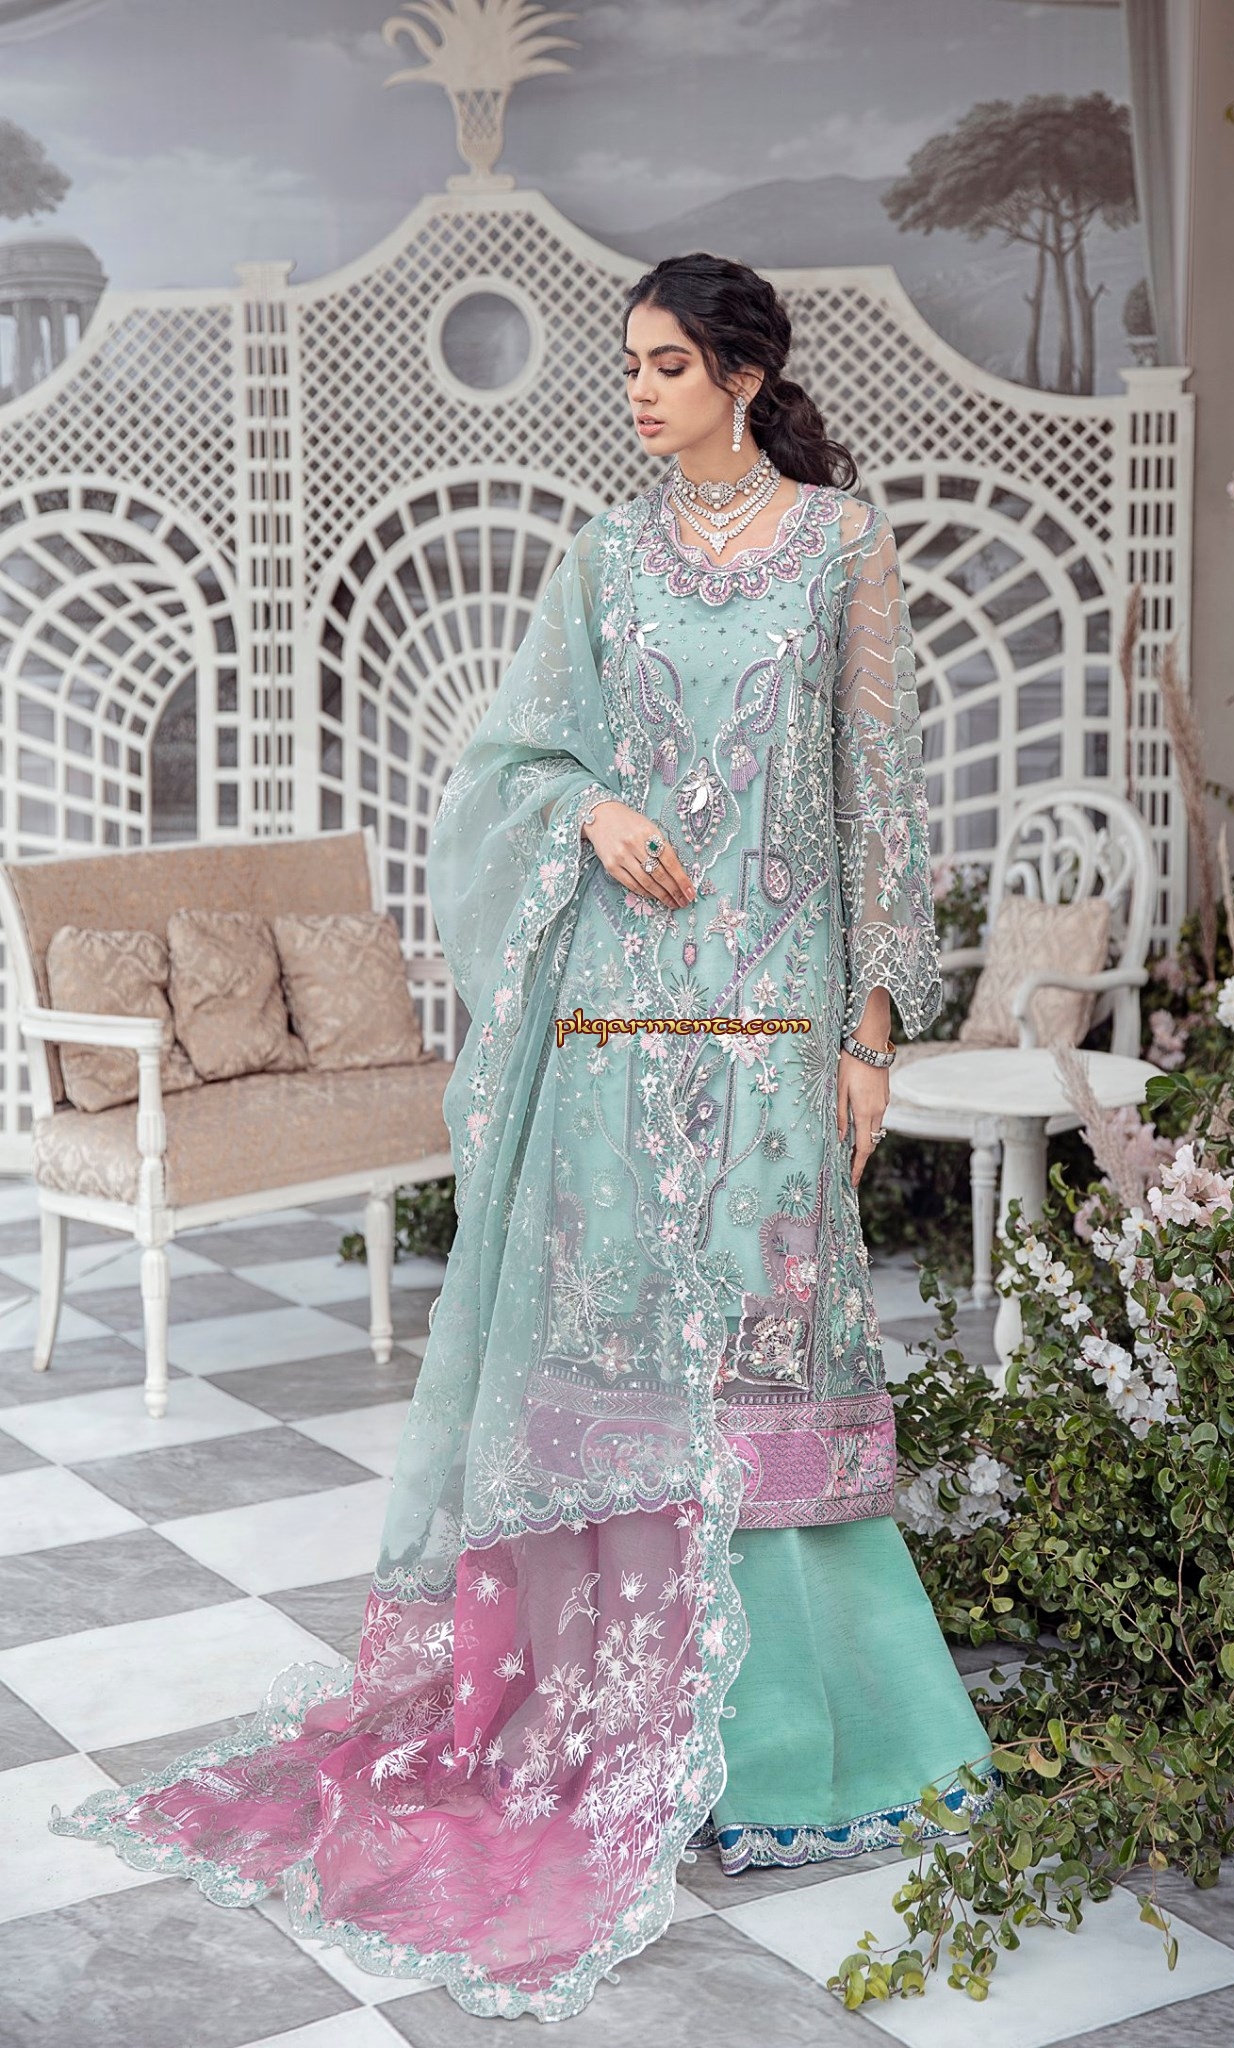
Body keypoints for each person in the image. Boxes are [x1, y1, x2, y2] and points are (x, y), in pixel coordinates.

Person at [50, 251, 996, 2021]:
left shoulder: (843, 547)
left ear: (740, 374)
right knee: (610, 1354)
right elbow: (506, 768)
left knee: (770, 1349)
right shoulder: (599, 560)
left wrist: (873, 1030)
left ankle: (797, 1750)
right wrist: (593, 811)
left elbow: (876, 792)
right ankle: (597, 1717)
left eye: (665, 364)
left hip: (775, 1010)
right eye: (627, 362)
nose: (635, 390)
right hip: (615, 1020)